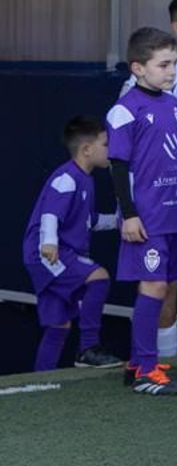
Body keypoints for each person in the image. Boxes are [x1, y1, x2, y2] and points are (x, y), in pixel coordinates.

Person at [109, 28, 177, 396]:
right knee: (153, 285)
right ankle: (145, 368)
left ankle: (138, 363)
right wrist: (129, 214)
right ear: (138, 68)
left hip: (172, 212)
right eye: (163, 65)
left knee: (167, 284)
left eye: (174, 63)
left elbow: (169, 153)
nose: (172, 71)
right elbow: (118, 166)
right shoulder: (125, 111)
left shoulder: (172, 103)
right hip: (146, 216)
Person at [25, 116, 119, 371]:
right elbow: (50, 214)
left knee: (59, 324)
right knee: (99, 277)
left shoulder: (85, 179)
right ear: (86, 149)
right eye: (106, 144)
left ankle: (40, 382)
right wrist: (50, 243)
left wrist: (120, 221)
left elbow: (89, 220)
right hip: (47, 253)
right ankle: (88, 348)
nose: (110, 149)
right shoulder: (67, 177)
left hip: (54, 253)